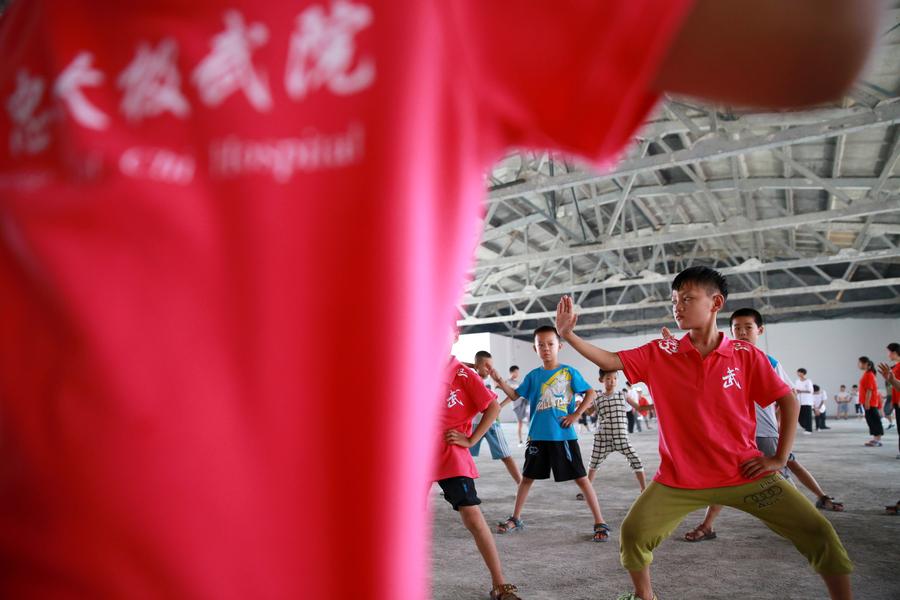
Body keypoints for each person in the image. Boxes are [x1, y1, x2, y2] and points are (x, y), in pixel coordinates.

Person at [0, 0, 879, 597]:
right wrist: (564, 354)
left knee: (792, 537)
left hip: (643, 462)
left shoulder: (410, 17)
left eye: (696, 295)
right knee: (604, 522)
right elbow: (606, 364)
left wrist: (490, 409)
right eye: (679, 293)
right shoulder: (31, 31)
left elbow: (815, 39)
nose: (684, 303)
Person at [556, 266, 853, 600]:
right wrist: (569, 336)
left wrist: (780, 458)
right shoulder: (660, 352)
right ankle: (645, 596)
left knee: (819, 533)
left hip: (744, 472)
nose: (677, 306)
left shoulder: (746, 356)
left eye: (687, 299)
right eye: (674, 300)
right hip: (679, 479)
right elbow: (611, 358)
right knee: (633, 534)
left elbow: (787, 399)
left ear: (716, 303)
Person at [681, 307, 844, 544]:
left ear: (760, 330)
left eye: (748, 328)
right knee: (727, 480)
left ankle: (809, 523)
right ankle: (707, 526)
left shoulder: (768, 362)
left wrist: (777, 425)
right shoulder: (722, 359)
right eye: (737, 328)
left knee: (782, 479)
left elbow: (788, 400)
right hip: (736, 437)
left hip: (764, 434)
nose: (742, 333)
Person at [493, 326, 610, 542]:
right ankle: (516, 517)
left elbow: (591, 392)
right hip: (537, 436)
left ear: (559, 346)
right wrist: (500, 381)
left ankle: (599, 521)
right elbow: (516, 395)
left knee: (582, 479)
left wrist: (575, 415)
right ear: (535, 348)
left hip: (563, 438)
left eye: (550, 344)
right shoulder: (534, 376)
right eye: (541, 345)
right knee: (526, 478)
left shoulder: (568, 372)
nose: (546, 348)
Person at [437, 351, 522, 600]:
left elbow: (493, 406)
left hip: (450, 450)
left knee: (473, 516)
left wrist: (472, 439)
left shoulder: (463, 374)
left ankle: (500, 584)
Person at [585, 368, 646, 495]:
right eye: (608, 378)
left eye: (614, 378)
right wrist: (579, 405)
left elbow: (639, 407)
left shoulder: (623, 395)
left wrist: (658, 404)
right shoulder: (597, 398)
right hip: (602, 438)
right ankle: (587, 491)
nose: (612, 381)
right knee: (593, 464)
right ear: (601, 380)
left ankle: (644, 490)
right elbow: (589, 412)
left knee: (635, 460)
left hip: (621, 438)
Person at [470, 351, 523, 486]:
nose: (489, 369)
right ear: (477, 366)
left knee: (506, 455)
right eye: (486, 365)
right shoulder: (469, 377)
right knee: (463, 455)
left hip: (492, 424)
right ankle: (456, 485)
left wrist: (500, 405)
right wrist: (473, 366)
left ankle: (521, 483)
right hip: (473, 424)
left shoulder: (493, 380)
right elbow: (455, 364)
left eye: (491, 365)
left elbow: (514, 395)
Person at [878, 343, 900, 458]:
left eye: (888, 351)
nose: (887, 354)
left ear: (894, 352)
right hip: (896, 401)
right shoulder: (895, 367)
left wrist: (892, 379)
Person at [859, 356, 884, 447]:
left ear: (867, 365)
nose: (859, 365)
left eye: (861, 363)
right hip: (868, 402)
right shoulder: (867, 374)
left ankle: (878, 440)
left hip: (870, 402)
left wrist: (867, 402)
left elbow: (869, 390)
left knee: (874, 420)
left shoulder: (869, 375)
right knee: (871, 421)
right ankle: (875, 439)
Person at [508, 366, 528, 446]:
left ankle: (529, 439)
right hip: (516, 405)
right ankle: (520, 441)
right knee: (520, 423)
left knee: (528, 422)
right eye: (516, 372)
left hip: (524, 403)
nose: (517, 374)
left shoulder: (518, 383)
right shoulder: (507, 382)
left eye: (518, 372)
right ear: (512, 372)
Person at [794, 368, 815, 434]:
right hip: (800, 401)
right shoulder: (797, 381)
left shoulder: (808, 381)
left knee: (808, 416)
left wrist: (801, 391)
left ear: (803, 373)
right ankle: (805, 426)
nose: (798, 374)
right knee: (800, 417)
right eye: (797, 372)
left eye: (799, 372)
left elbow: (811, 390)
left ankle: (809, 429)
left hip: (807, 401)